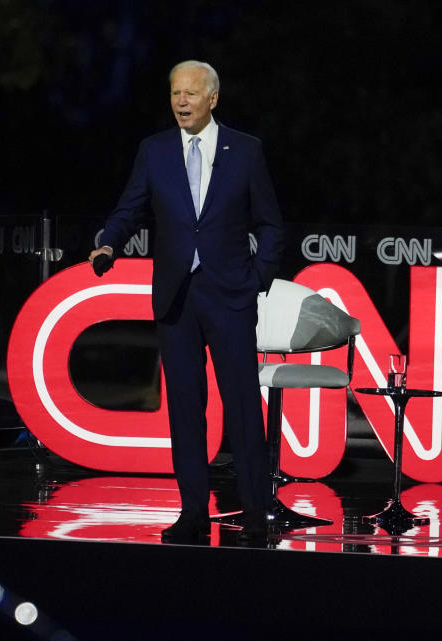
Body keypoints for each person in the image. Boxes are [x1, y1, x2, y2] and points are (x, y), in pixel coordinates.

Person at [89, 60, 284, 543]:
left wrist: (256, 278)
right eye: (175, 92)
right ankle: (193, 514)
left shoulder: (246, 151)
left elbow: (272, 225)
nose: (181, 102)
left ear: (212, 99)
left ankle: (256, 516)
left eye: (191, 94)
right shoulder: (153, 151)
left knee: (242, 407)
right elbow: (130, 207)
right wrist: (109, 242)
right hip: (177, 296)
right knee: (185, 410)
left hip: (231, 295)